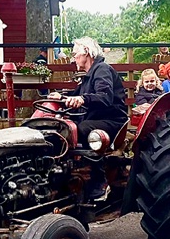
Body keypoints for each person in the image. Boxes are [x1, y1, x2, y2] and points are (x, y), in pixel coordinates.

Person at [48, 37, 128, 199]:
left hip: (112, 121)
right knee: (58, 130)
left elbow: (104, 96)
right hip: (95, 120)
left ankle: (100, 180)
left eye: (75, 54)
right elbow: (78, 94)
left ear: (86, 52)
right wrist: (61, 96)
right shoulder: (88, 76)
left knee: (82, 129)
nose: (73, 58)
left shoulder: (102, 70)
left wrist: (83, 99)